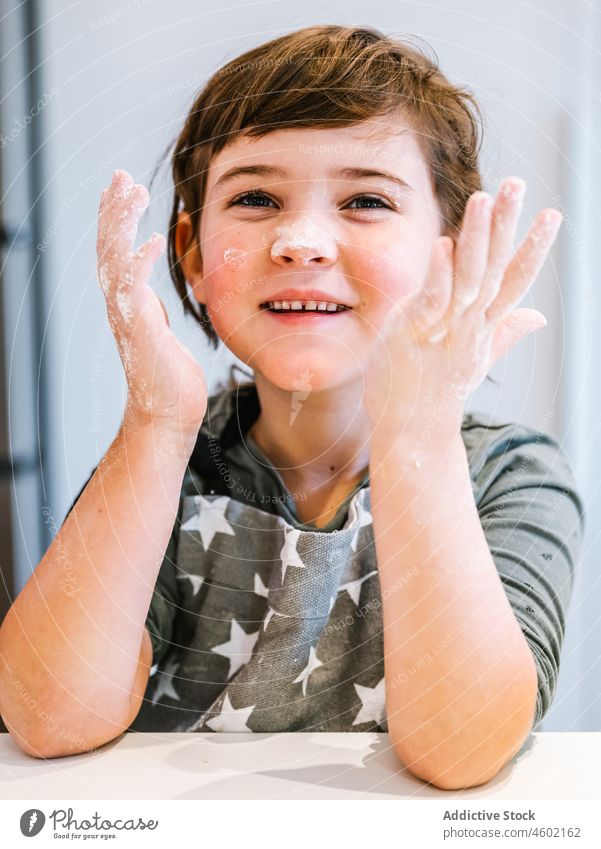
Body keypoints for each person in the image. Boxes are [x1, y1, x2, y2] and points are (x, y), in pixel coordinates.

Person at [0, 25, 584, 790]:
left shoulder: (508, 474)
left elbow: (461, 749)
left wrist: (417, 431)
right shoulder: (167, 458)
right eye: (254, 197)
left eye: (366, 199)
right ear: (193, 257)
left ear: (451, 253)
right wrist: (155, 423)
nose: (301, 240)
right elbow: (47, 716)